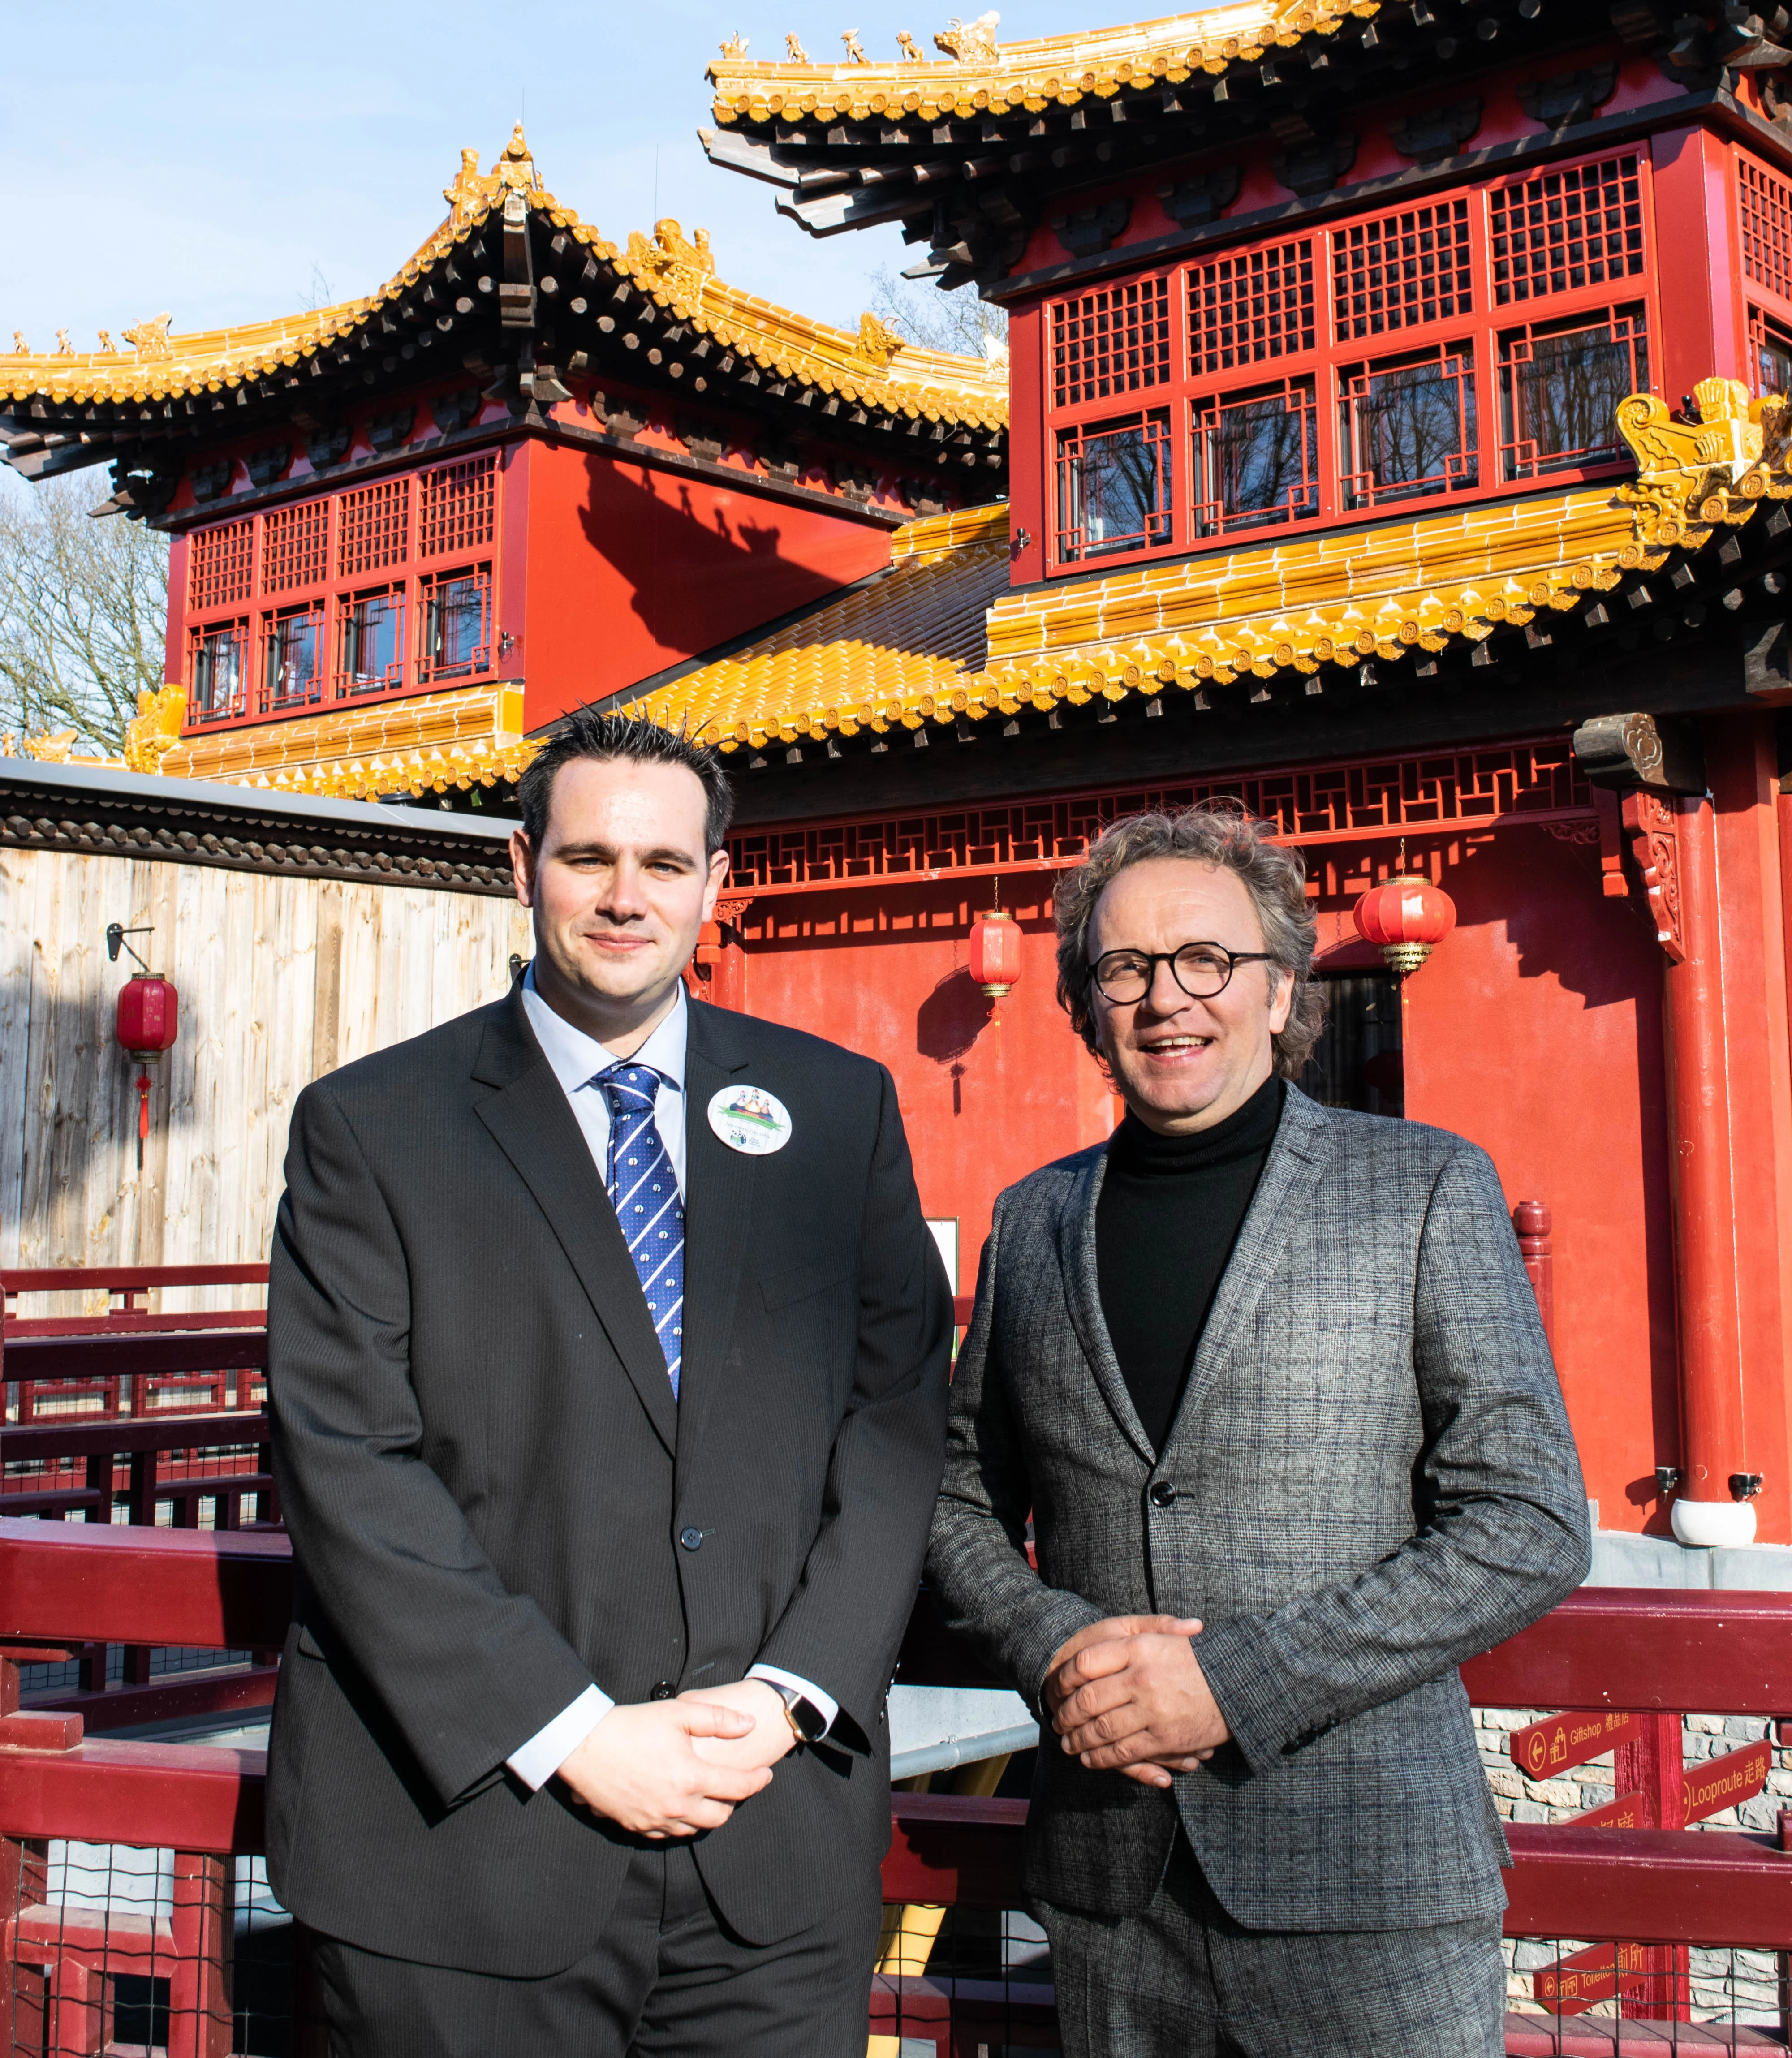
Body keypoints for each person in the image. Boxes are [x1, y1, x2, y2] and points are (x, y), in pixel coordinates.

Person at [266, 708, 951, 2056]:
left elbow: (898, 1419)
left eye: (662, 862)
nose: (626, 896)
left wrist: (793, 1692)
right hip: (464, 1851)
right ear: (523, 868)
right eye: (588, 858)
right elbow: (347, 1457)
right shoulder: (376, 1126)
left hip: (768, 1840)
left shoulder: (837, 1107)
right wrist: (569, 1730)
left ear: (716, 884)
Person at [926, 803, 1589, 2058]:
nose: (1168, 998)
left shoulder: (1422, 1187)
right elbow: (959, 1501)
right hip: (1111, 1892)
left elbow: (1531, 1520)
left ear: (1282, 992)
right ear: (1085, 1004)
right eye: (1123, 968)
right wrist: (1059, 1647)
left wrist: (1233, 1683)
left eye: (1208, 962)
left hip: (1368, 1889)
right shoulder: (1034, 1222)